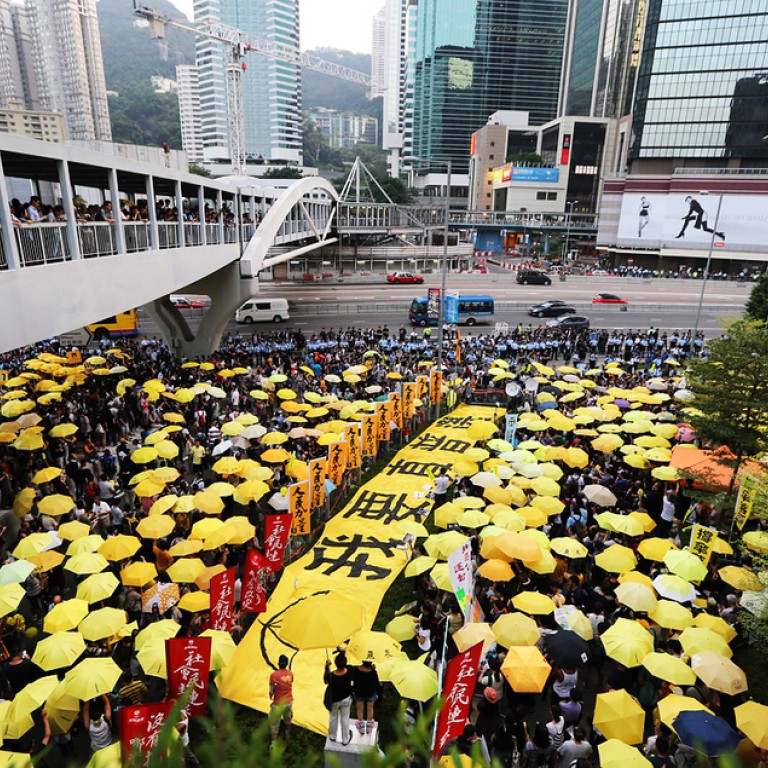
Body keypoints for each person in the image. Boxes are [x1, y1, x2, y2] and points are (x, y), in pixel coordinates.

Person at [324, 652, 353, 746]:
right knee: (345, 718)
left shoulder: (332, 675)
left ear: (335, 663)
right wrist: (342, 652)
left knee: (333, 717)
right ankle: (345, 739)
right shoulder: (349, 671)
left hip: (334, 701)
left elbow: (325, 680)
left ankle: (332, 736)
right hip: (346, 699)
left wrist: (327, 667)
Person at [269, 654, 294, 744]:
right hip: (289, 701)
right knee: (288, 717)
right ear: (286, 664)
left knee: (275, 723)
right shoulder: (290, 674)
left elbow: (271, 692)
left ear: (278, 663)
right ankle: (288, 732)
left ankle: (273, 743)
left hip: (278, 703)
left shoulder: (273, 675)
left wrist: (271, 696)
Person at [353, 659, 379, 734]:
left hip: (359, 692)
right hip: (370, 693)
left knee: (360, 709)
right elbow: (376, 683)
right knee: (370, 708)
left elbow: (354, 681)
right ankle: (369, 726)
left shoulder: (356, 670)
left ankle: (361, 727)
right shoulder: (373, 672)